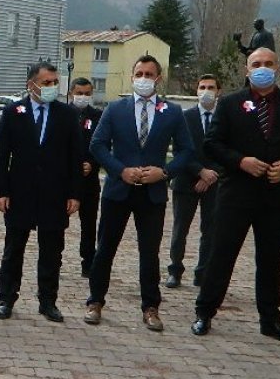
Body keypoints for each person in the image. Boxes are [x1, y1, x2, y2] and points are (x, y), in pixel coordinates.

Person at [193, 48, 280, 344]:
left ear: (278, 68)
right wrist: (240, 161)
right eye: (256, 64)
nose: (262, 68)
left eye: (268, 63)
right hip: (236, 193)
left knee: (271, 258)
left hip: (277, 194)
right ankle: (204, 312)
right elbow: (212, 144)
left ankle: (270, 320)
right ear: (246, 70)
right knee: (221, 254)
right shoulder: (230, 103)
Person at [85, 55, 193, 332]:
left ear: (158, 78)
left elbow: (187, 151)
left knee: (149, 253)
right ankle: (95, 301)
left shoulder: (172, 112)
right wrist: (119, 170)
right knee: (105, 249)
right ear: (132, 76)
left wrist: (164, 172)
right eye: (139, 73)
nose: (143, 78)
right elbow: (98, 145)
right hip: (118, 191)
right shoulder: (115, 109)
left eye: (149, 74)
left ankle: (150, 307)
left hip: (152, 193)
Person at [0, 61, 82, 322]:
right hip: (20, 192)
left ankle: (48, 301)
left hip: (55, 194)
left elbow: (75, 157)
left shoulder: (67, 114)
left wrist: (74, 193)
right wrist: (0, 191)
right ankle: (6, 298)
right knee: (13, 249)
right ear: (31, 85)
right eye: (46, 83)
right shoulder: (13, 112)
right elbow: (2, 155)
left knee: (52, 252)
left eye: (55, 82)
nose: (51, 87)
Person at [166, 74, 223, 288]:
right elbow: (179, 149)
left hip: (214, 183)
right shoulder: (184, 117)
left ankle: (203, 273)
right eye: (202, 87)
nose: (206, 91)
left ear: (218, 91)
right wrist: (199, 171)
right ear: (196, 91)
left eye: (211, 87)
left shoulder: (224, 118)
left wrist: (210, 175)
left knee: (210, 231)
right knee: (180, 229)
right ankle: (175, 271)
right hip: (186, 180)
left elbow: (227, 151)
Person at [69, 78, 103, 277]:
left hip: (89, 180)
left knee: (89, 224)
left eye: (87, 93)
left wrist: (92, 163)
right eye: (79, 93)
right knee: (56, 223)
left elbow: (103, 144)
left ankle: (88, 261)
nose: (83, 97)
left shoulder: (98, 116)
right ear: (71, 93)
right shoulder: (63, 114)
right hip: (65, 179)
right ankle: (54, 258)